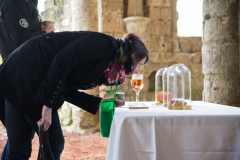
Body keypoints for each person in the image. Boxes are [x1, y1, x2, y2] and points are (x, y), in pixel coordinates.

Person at [0, 31, 149, 160]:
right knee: (53, 142)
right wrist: (47, 105)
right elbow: (62, 60)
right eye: (140, 64)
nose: (137, 70)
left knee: (18, 148)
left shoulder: (110, 62)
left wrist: (99, 102)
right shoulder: (105, 44)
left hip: (18, 74)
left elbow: (65, 88)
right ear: (132, 54)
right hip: (28, 73)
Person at [0, 0, 54, 159]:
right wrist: (45, 33)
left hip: (19, 77)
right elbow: (22, 41)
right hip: (20, 79)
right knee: (50, 141)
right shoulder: (16, 3)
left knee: (19, 142)